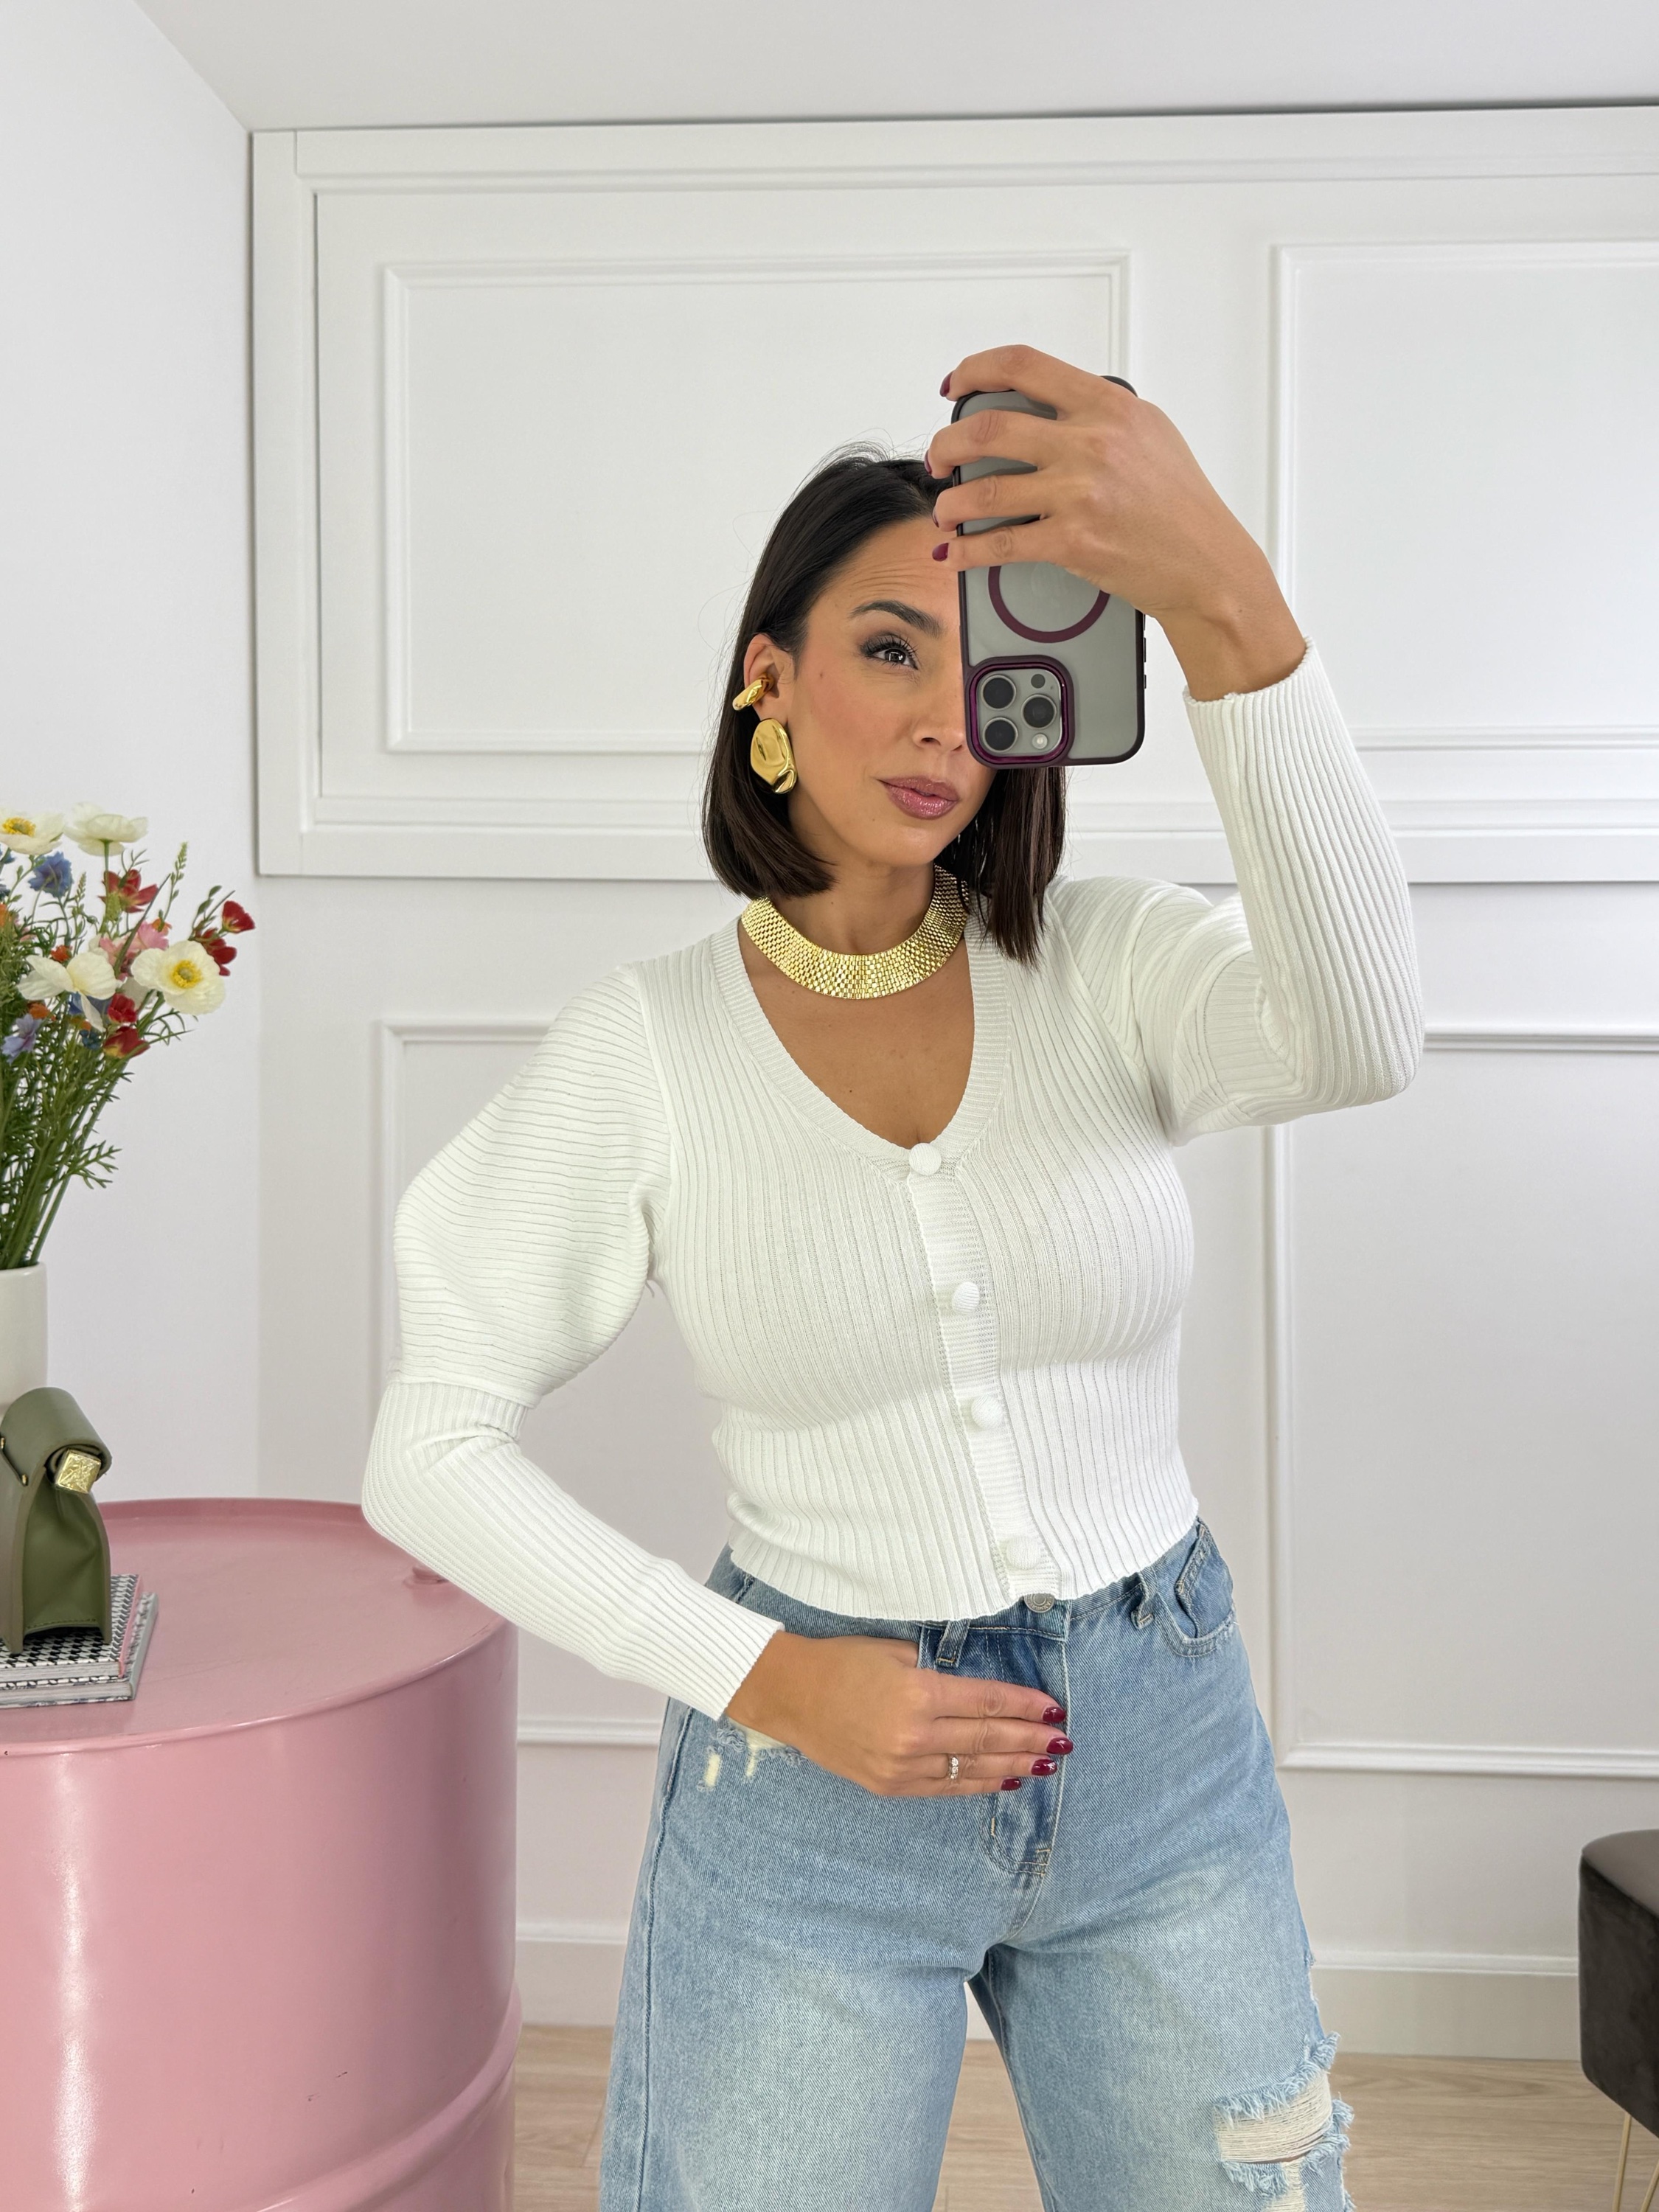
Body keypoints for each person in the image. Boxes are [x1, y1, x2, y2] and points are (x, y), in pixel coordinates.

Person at [362, 344, 1422, 2211]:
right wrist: (764, 1679)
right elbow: (428, 1448)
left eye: (982, 666)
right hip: (815, 1794)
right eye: (884, 648)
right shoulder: (645, 1051)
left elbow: (1362, 1036)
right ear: (767, 681)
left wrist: (1228, 603)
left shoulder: (1112, 966)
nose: (944, 720)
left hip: (1160, 1755)